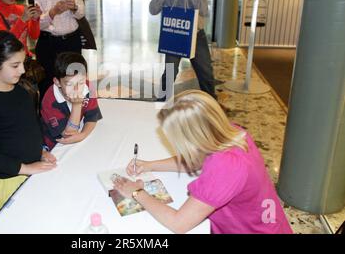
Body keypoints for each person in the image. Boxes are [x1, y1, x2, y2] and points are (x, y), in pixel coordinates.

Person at [113, 90, 293, 234]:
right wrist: (150, 165)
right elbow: (196, 161)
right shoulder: (231, 133)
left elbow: (179, 224)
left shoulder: (226, 168)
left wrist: (137, 193)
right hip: (268, 223)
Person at [0, 31, 57, 218]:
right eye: (15, 65)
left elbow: (29, 128)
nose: (22, 70)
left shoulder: (22, 91)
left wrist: (41, 152)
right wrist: (27, 168)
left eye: (23, 63)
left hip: (32, 170)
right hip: (10, 180)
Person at [149, 0, 217, 101]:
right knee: (169, 72)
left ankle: (212, 104)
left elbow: (205, 11)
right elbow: (153, 10)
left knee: (206, 73)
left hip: (196, 35)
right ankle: (162, 104)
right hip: (174, 34)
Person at [25, 0, 85, 100]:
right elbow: (35, 25)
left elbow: (81, 13)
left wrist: (73, 7)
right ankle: (48, 118)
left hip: (72, 41)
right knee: (47, 85)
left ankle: (75, 114)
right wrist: (53, 12)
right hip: (48, 43)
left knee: (74, 81)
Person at [40, 52, 102, 149]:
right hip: (55, 147)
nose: (77, 89)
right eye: (69, 84)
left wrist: (83, 134)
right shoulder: (49, 100)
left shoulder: (89, 87)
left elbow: (92, 116)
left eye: (81, 82)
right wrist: (77, 105)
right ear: (57, 82)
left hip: (77, 139)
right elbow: (68, 134)